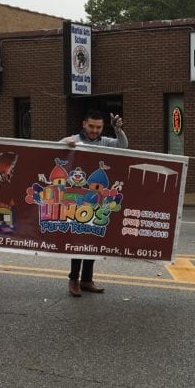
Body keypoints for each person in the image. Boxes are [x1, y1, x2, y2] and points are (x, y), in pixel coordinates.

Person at [60, 109, 127, 297]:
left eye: (98, 127)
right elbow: (53, 149)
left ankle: (87, 280)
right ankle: (74, 279)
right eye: (91, 126)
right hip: (78, 201)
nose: (94, 130)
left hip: (97, 201)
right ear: (84, 124)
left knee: (92, 241)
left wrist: (118, 130)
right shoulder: (74, 139)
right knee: (78, 241)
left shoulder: (105, 142)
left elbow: (123, 146)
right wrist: (64, 144)